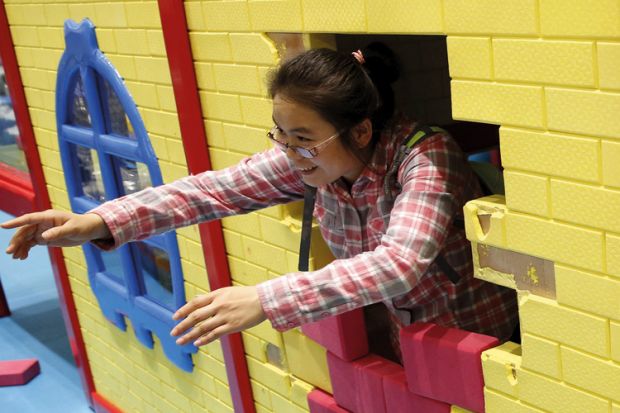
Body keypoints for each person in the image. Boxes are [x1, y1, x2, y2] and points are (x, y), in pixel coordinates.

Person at [2, 43, 517, 358]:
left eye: (303, 137)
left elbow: (398, 264)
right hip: (405, 338)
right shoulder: (311, 161)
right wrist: (99, 220)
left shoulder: (423, 156)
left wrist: (265, 300)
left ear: (360, 130)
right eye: (280, 133)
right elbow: (211, 190)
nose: (289, 151)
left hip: (479, 337)